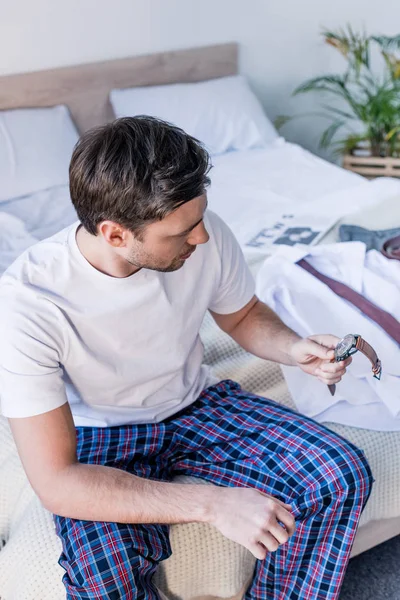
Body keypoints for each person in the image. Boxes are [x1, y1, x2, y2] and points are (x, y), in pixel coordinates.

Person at [0, 116, 374, 600]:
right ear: (115, 235)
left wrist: (293, 348)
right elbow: (57, 482)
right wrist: (213, 504)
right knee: (103, 577)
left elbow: (241, 316)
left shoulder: (204, 233)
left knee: (339, 475)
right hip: (99, 433)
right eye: (181, 232)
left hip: (197, 402)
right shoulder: (28, 304)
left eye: (200, 220)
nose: (200, 238)